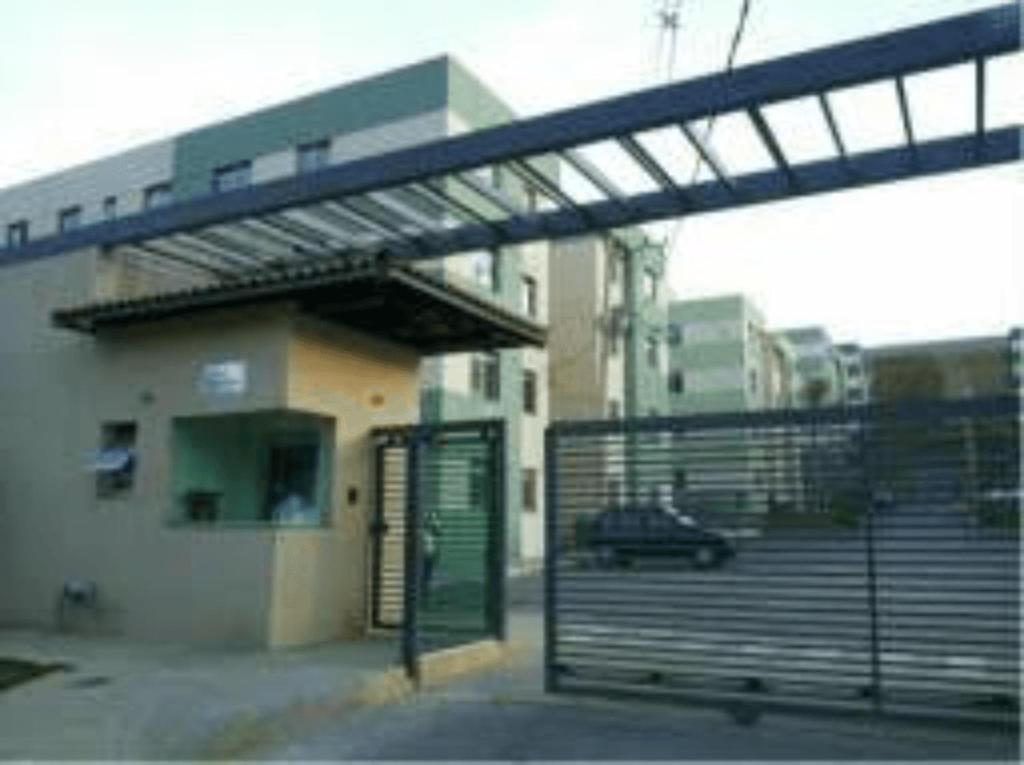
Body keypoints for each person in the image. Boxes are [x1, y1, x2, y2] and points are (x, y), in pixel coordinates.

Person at [421, 509, 441, 607]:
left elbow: (438, 532)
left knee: (427, 577)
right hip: (423, 555)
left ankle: (426, 597)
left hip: (429, 555)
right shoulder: (423, 533)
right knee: (423, 577)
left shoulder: (430, 533)